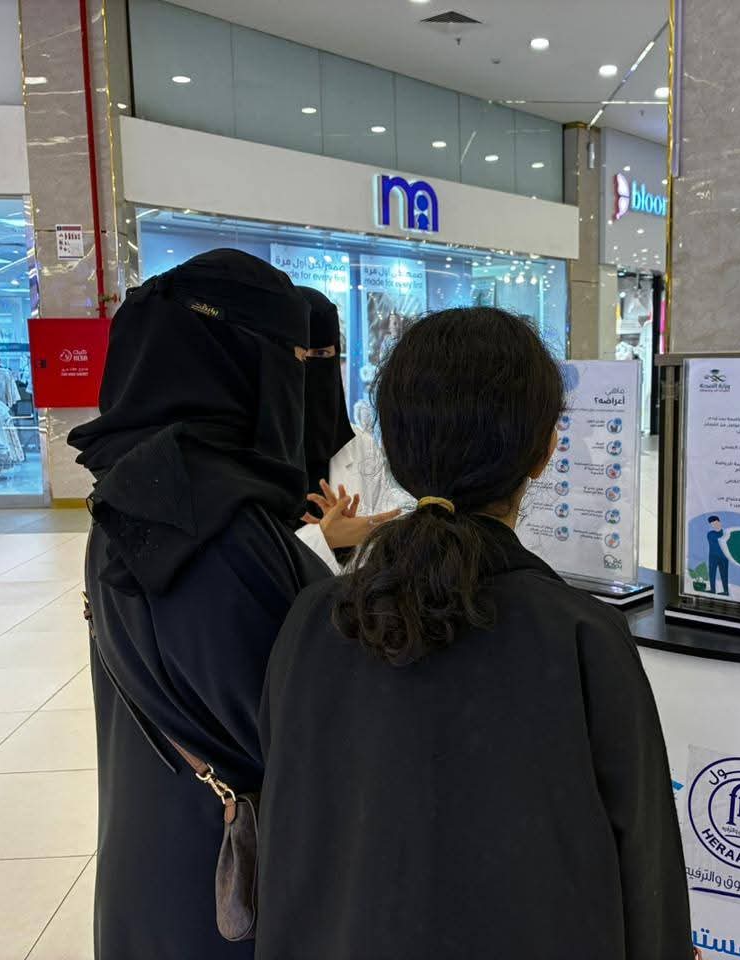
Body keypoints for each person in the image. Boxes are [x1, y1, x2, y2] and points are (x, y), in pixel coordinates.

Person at [258, 307, 692, 960]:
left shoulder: (315, 620)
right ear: (543, 452)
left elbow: (288, 837)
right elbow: (644, 868)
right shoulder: (581, 637)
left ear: (396, 451)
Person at [69, 249, 330, 960]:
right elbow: (293, 737)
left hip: (159, 858)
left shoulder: (136, 486)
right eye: (290, 359)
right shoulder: (210, 525)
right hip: (229, 898)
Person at [293, 286, 406, 571]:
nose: (310, 366)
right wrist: (323, 539)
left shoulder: (360, 444)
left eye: (322, 353)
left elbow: (385, 532)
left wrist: (351, 546)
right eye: (299, 355)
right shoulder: (247, 449)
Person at [707, 515, 730, 595]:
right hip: (713, 557)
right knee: (712, 573)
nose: (715, 525)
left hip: (724, 557)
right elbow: (719, 540)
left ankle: (726, 591)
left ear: (720, 522)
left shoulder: (726, 533)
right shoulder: (710, 534)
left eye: (716, 523)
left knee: (724, 574)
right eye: (712, 524)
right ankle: (712, 589)